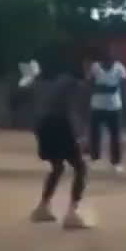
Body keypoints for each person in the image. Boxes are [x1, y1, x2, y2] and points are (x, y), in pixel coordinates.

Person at [28, 64, 92, 229]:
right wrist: (81, 137)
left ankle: (42, 208)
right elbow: (73, 111)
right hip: (59, 124)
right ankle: (72, 214)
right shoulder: (78, 85)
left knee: (58, 167)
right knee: (81, 168)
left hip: (43, 125)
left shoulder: (60, 80)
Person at [86, 48, 126, 173]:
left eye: (111, 57)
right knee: (95, 134)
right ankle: (94, 159)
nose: (109, 59)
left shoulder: (119, 68)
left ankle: (116, 163)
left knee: (115, 135)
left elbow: (121, 85)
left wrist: (102, 88)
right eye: (107, 57)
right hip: (97, 106)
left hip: (114, 107)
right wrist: (106, 88)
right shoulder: (95, 67)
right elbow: (90, 84)